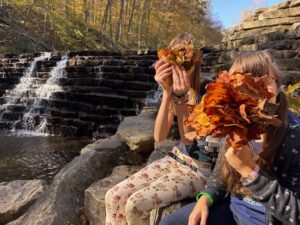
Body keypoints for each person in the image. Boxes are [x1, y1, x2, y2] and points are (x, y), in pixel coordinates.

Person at [159, 50, 300, 225]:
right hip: (233, 210)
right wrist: (205, 198)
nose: (253, 87)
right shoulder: (234, 121)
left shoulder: (295, 135)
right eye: (241, 80)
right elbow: (221, 174)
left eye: (264, 80)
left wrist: (251, 172)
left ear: (279, 87)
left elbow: (296, 213)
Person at [104, 33, 220, 225]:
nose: (179, 69)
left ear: (197, 60)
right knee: (113, 196)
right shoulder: (175, 89)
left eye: (184, 64)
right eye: (174, 64)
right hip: (175, 158)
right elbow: (159, 137)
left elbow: (189, 139)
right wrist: (168, 92)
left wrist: (181, 98)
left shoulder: (211, 92)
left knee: (135, 205)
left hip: (201, 169)